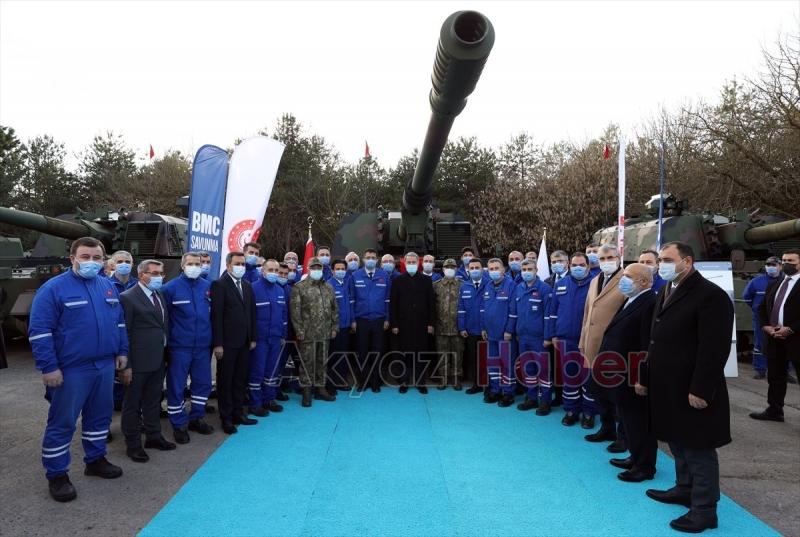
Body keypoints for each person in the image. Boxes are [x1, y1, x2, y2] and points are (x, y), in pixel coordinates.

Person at [639, 241, 733, 534]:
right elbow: (654, 340)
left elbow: (713, 349)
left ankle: (704, 510)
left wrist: (701, 389)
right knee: (678, 440)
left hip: (693, 387)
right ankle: (684, 488)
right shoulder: (668, 290)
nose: (660, 265)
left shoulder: (710, 296)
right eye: (660, 260)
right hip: (668, 385)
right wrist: (645, 376)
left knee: (698, 447)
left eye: (667, 259)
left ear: (687, 261)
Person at [29, 237, 128, 502]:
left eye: (96, 258)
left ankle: (95, 460)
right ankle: (57, 474)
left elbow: (118, 323)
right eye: (85, 257)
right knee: (62, 423)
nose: (91, 263)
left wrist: (122, 351)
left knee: (100, 417)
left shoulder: (108, 287)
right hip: (71, 369)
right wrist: (49, 367)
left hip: (104, 365)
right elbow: (40, 333)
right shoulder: (53, 289)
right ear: (72, 258)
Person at [598, 263, 657, 482]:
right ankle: (635, 456)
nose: (623, 279)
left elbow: (645, 344)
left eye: (628, 276)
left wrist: (641, 377)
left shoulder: (649, 302)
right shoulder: (632, 299)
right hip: (620, 372)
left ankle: (644, 466)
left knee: (638, 421)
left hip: (633, 374)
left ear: (643, 281)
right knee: (627, 419)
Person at [119, 260, 176, 462]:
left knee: (153, 401)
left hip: (158, 359)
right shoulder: (128, 298)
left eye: (161, 273)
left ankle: (154, 436)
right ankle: (133, 445)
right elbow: (124, 332)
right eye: (154, 273)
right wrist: (127, 365)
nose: (159, 276)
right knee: (132, 405)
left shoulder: (158, 294)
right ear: (141, 274)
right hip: (137, 362)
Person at [160, 252, 214, 444]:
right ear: (182, 266)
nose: (194, 266)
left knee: (203, 383)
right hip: (179, 346)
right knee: (176, 386)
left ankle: (196, 418)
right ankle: (179, 423)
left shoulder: (208, 287)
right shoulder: (169, 289)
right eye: (190, 263)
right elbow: (163, 319)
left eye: (197, 263)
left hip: (202, 346)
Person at [580, 244, 626, 434]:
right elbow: (587, 313)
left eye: (610, 258)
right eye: (602, 259)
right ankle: (606, 429)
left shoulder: (626, 280)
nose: (606, 262)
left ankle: (623, 436)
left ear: (618, 257)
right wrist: (583, 342)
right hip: (592, 345)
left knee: (618, 395)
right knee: (598, 392)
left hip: (615, 347)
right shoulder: (594, 280)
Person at [211, 251, 258, 434]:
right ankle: (226, 417)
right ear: (229, 265)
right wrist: (218, 343)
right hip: (227, 344)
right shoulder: (219, 285)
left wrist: (253, 337)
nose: (241, 267)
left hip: (245, 342)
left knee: (240, 380)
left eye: (243, 264)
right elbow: (217, 316)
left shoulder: (247, 286)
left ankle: (239, 413)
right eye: (237, 263)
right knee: (226, 381)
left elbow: (252, 313)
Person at [751, 250, 800, 422]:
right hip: (774, 337)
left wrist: (791, 329)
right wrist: (766, 326)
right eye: (784, 260)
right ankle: (775, 410)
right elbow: (762, 308)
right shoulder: (776, 284)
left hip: (796, 338)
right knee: (775, 376)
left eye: (791, 261)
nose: (787, 263)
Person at [546, 252, 593, 426]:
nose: (577, 268)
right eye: (574, 265)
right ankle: (571, 410)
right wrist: (553, 335)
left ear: (588, 266)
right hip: (565, 339)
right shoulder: (560, 284)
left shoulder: (595, 283)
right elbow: (552, 312)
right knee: (570, 376)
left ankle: (589, 412)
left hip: (587, 339)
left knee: (588, 377)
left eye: (581, 265)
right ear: (569, 266)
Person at [290, 257, 339, 406]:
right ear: (309, 269)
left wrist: (334, 327)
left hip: (325, 333)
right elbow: (295, 312)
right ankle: (306, 393)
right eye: (314, 268)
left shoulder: (328, 287)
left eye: (319, 268)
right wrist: (299, 330)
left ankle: (321, 390)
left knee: (322, 362)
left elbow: (334, 309)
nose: (317, 270)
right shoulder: (299, 287)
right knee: (307, 364)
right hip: (308, 334)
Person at [390, 252, 435, 393]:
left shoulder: (426, 280)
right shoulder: (398, 280)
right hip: (403, 325)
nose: (411, 265)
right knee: (405, 354)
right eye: (408, 262)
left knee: (420, 353)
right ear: (404, 263)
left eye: (413, 262)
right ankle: (405, 381)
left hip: (421, 324)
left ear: (418, 263)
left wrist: (430, 323)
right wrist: (395, 324)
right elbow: (393, 304)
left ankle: (421, 382)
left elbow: (431, 304)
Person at [248, 259, 288, 416]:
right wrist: (252, 337)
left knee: (272, 370)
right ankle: (255, 403)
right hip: (260, 339)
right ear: (263, 271)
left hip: (275, 338)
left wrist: (283, 335)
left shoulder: (280, 290)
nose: (273, 273)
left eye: (276, 270)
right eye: (270, 270)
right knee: (257, 371)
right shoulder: (253, 289)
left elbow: (283, 315)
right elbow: (249, 316)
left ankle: (269, 399)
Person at [514, 259, 553, 413]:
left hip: (539, 339)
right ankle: (531, 398)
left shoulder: (544, 289)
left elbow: (548, 316)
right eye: (524, 269)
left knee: (543, 370)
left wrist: (547, 337)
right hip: (523, 337)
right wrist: (517, 332)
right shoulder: (519, 288)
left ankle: (545, 401)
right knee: (528, 369)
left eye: (529, 269)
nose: (526, 272)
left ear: (536, 270)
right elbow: (516, 313)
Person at [352, 249, 391, 392]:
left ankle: (376, 382)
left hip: (379, 320)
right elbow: (352, 300)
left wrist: (387, 318)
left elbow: (388, 300)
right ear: (363, 259)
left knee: (377, 351)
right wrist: (353, 320)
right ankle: (363, 381)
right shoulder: (355, 276)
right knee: (362, 352)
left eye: (373, 257)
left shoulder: (384, 275)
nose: (370, 260)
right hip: (361, 320)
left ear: (377, 260)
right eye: (368, 257)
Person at [481, 258, 517, 407]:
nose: (494, 271)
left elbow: (513, 311)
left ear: (503, 270)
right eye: (491, 269)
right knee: (493, 363)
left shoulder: (511, 285)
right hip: (491, 334)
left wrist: (509, 330)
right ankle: (495, 390)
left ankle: (508, 393)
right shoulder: (488, 286)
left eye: (497, 268)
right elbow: (483, 309)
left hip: (505, 334)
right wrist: (483, 327)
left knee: (507, 365)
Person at [743, 256, 782, 379]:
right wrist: (756, 309)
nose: (771, 267)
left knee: (783, 343)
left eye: (774, 265)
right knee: (760, 343)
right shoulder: (756, 282)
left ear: (780, 266)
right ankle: (760, 370)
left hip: (781, 318)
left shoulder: (786, 281)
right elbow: (747, 297)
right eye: (769, 265)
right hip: (761, 318)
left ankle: (785, 371)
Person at [458, 258, 488, 394]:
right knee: (473, 358)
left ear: (482, 269)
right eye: (472, 268)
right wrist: (462, 327)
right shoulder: (464, 286)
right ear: (468, 270)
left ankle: (488, 385)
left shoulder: (489, 284)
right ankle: (476, 384)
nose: (474, 270)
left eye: (477, 267)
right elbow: (461, 309)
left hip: (486, 329)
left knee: (488, 358)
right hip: (470, 329)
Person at [434, 259, 463, 389]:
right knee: (442, 355)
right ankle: (443, 379)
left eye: (452, 266)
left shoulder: (462, 285)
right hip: (441, 327)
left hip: (457, 328)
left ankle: (456, 379)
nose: (450, 269)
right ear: (443, 269)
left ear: (456, 268)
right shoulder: (436, 285)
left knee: (458, 355)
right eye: (447, 267)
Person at [328, 259, 355, 392]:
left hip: (346, 327)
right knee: (334, 355)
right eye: (337, 269)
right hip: (335, 328)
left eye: (343, 269)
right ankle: (332, 383)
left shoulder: (348, 283)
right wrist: (333, 326)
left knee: (343, 354)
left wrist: (352, 321)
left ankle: (341, 380)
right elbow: (328, 309)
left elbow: (351, 304)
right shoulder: (329, 285)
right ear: (332, 271)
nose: (340, 271)